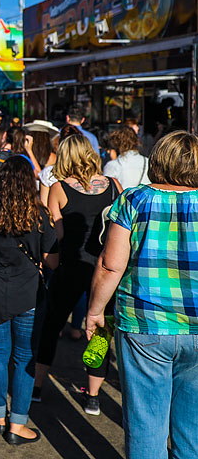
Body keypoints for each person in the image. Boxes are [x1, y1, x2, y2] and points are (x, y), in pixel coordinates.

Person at [85, 131, 198, 459]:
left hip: (144, 324)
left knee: (147, 424)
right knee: (191, 429)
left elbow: (110, 266)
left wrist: (95, 311)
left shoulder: (134, 199)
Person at [0, 156, 59, 445]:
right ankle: (17, 424)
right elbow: (52, 261)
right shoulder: (40, 215)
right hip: (29, 294)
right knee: (24, 358)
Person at [33, 133, 122, 415]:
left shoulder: (58, 189)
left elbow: (58, 234)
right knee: (100, 331)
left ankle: (35, 387)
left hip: (70, 266)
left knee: (51, 325)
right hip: (105, 268)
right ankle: (93, 397)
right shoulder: (113, 186)